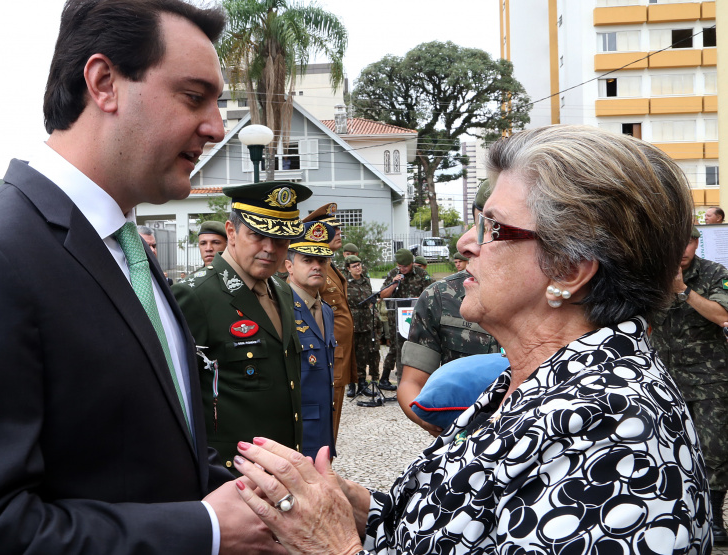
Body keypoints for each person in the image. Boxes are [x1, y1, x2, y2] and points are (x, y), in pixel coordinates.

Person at [0, 2, 282, 553]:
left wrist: (276, 499)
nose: (214, 126)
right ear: (104, 82)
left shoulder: (125, 250)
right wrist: (204, 531)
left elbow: (148, 462)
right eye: (193, 97)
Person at [229, 125, 712, 553]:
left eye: (493, 226)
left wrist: (331, 546)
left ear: (569, 269)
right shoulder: (532, 382)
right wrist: (357, 508)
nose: (465, 243)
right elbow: (463, 520)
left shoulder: (615, 433)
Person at [173, 181, 310, 468]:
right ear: (232, 232)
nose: (270, 249)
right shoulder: (195, 295)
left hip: (283, 466)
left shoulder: (282, 290)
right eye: (258, 236)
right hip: (230, 477)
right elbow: (174, 400)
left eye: (281, 239)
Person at [398, 184, 501, 435]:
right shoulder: (441, 296)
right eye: (477, 225)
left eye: (493, 228)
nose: (466, 241)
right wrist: (435, 425)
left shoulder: (568, 303)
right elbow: (412, 382)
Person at [650, 225, 728, 543]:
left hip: (711, 379)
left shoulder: (715, 273)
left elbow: (722, 313)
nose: (683, 248)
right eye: (676, 241)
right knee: (669, 450)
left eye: (690, 241)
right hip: (668, 380)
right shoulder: (651, 276)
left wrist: (684, 292)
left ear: (696, 243)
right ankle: (677, 516)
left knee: (714, 450)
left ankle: (713, 519)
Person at [284, 221, 337, 460]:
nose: (317, 266)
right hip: (293, 434)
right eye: (307, 260)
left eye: (322, 261)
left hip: (322, 430)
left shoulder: (325, 310)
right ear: (289, 266)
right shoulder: (279, 308)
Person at [303, 203, 355, 441]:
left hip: (339, 352)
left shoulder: (329, 264)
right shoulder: (312, 270)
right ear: (318, 233)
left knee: (334, 414)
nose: (339, 233)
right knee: (326, 416)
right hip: (328, 353)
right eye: (333, 228)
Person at [379, 248, 431, 388]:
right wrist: (394, 284)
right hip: (396, 320)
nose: (402, 269)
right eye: (399, 266)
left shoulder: (422, 274)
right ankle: (385, 377)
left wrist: (418, 299)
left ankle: (416, 379)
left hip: (416, 318)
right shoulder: (393, 274)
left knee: (416, 347)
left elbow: (430, 294)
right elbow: (383, 295)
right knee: (395, 348)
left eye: (405, 266)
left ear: (412, 263)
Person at [345, 255, 379, 398]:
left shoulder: (366, 281)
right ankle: (351, 384)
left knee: (363, 355)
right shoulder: (345, 282)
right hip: (351, 321)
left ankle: (362, 383)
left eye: (359, 265)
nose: (358, 268)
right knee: (351, 355)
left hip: (365, 322)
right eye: (354, 266)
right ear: (348, 269)